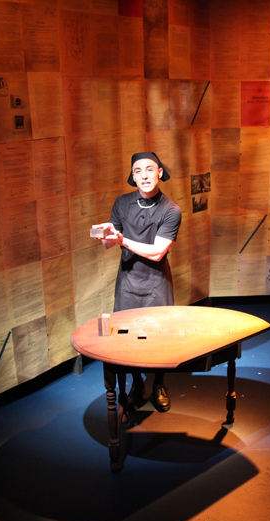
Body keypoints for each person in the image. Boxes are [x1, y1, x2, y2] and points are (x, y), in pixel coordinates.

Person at [91, 152, 182, 413]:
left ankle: (159, 383)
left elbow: (157, 253)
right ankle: (137, 381)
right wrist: (106, 234)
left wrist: (121, 240)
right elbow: (109, 244)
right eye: (138, 171)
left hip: (156, 282)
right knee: (128, 335)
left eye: (149, 169)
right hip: (128, 281)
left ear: (160, 173)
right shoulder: (122, 203)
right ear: (132, 176)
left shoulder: (171, 210)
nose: (144, 175)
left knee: (159, 335)